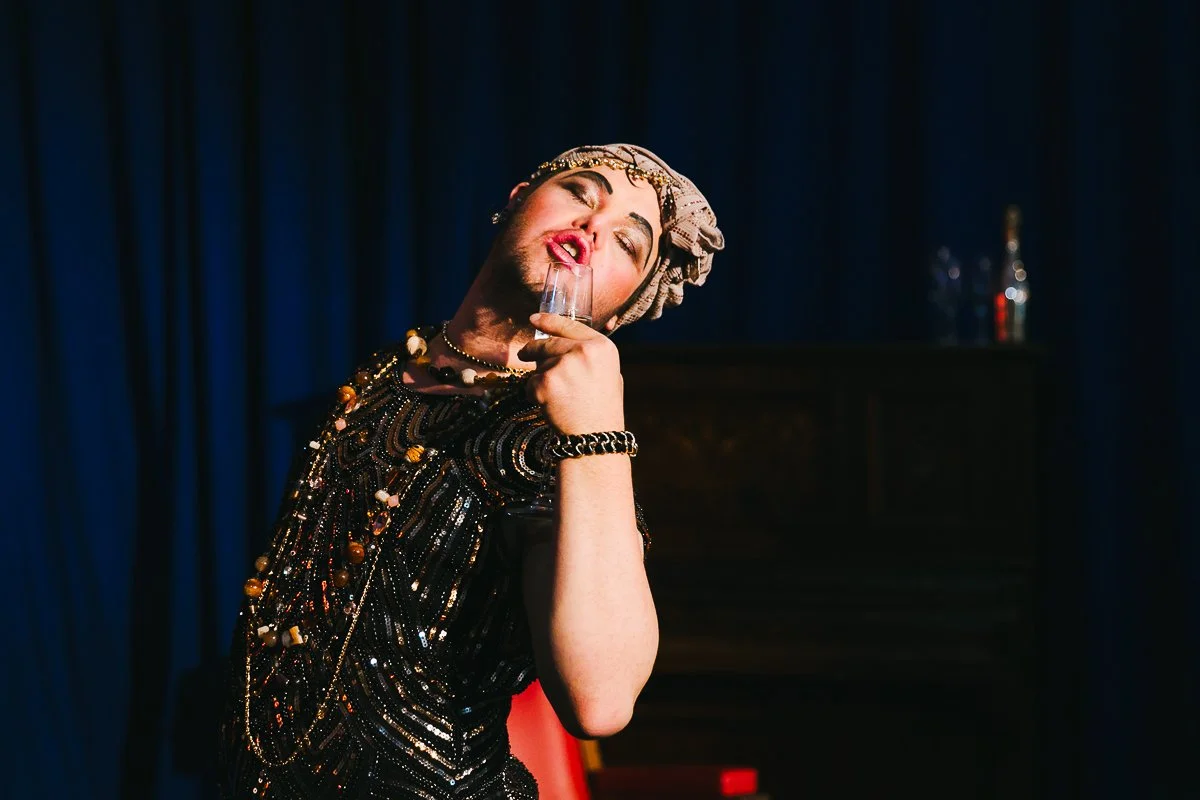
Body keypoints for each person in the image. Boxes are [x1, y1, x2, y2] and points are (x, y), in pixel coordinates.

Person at [217, 143, 724, 799]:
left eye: (628, 242)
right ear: (517, 200)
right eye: (581, 193)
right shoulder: (385, 372)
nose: (593, 226)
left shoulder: (548, 444)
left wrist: (596, 434)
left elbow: (600, 702)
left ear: (625, 307)